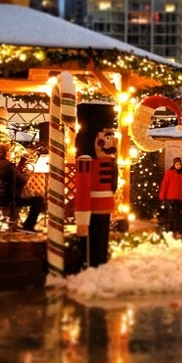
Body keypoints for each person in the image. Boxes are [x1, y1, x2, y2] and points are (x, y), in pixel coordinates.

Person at [74, 102, 118, 267]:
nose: (111, 143)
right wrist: (82, 219)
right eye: (105, 138)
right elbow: (83, 189)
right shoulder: (85, 162)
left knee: (102, 240)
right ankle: (92, 267)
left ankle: (100, 265)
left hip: (104, 204)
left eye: (111, 137)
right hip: (92, 204)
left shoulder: (109, 161)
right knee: (93, 242)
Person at [0, 143, 45, 232]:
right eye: (9, 151)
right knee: (39, 199)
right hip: (9, 199)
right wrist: (27, 173)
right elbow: (22, 181)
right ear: (7, 153)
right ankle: (28, 226)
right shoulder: (8, 166)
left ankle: (15, 222)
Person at [159, 156, 182, 235]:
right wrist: (162, 195)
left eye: (179, 164)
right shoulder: (169, 173)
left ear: (181, 165)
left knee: (177, 215)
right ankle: (174, 231)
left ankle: (174, 231)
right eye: (176, 164)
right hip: (171, 198)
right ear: (174, 164)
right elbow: (165, 184)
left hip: (180, 198)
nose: (178, 165)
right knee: (174, 215)